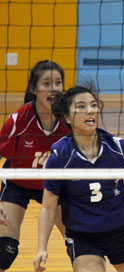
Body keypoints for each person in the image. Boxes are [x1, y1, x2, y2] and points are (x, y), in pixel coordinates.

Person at [33, 85, 124, 272]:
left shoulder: (118, 147)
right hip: (83, 237)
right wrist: (41, 248)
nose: (90, 110)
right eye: (81, 106)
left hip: (121, 232)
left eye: (93, 105)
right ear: (67, 117)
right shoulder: (60, 156)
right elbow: (48, 206)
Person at [0, 60, 70, 271]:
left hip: (54, 188)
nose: (54, 89)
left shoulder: (69, 120)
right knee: (5, 252)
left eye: (58, 83)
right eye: (46, 84)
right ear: (34, 89)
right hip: (17, 185)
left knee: (79, 242)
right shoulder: (18, 120)